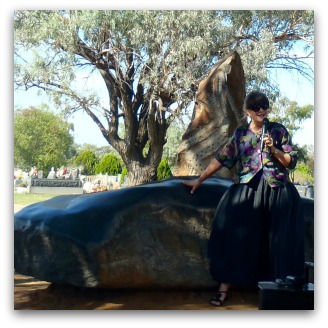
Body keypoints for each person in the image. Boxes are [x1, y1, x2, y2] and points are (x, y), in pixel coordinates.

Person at [182, 91, 305, 307]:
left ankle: (282, 293)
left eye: (264, 106)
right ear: (248, 111)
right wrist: (199, 180)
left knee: (280, 243)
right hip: (248, 190)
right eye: (256, 107)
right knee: (234, 238)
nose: (261, 110)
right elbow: (222, 159)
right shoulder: (240, 134)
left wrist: (273, 148)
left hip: (277, 190)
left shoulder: (277, 130)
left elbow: (290, 161)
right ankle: (223, 289)